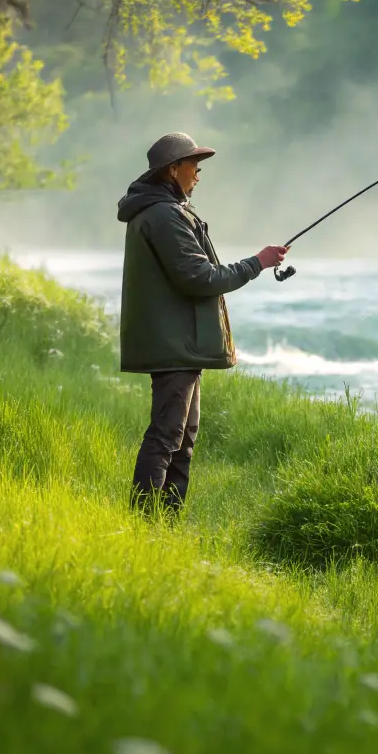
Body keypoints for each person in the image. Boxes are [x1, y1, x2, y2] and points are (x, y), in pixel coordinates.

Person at [116, 132, 288, 516]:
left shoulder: (166, 210)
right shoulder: (164, 215)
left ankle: (166, 524)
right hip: (174, 345)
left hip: (179, 344)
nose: (198, 174)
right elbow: (200, 278)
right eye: (194, 166)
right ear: (172, 169)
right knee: (166, 436)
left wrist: (257, 262)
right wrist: (256, 263)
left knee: (183, 436)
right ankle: (143, 525)